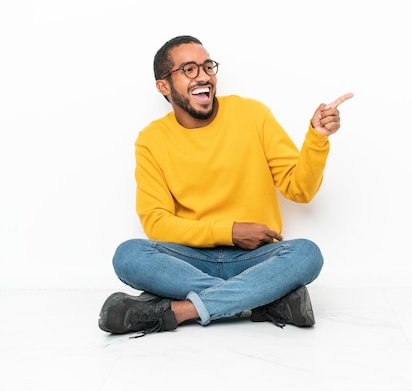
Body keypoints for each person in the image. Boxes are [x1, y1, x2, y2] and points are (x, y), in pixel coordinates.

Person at [98, 35, 353, 337]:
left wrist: (316, 138)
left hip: (255, 259)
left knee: (307, 254)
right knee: (128, 256)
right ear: (163, 86)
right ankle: (264, 301)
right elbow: (156, 222)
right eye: (189, 70)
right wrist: (230, 231)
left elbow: (300, 190)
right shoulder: (151, 140)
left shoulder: (252, 115)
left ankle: (180, 311)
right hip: (190, 261)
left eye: (207, 66)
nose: (203, 76)